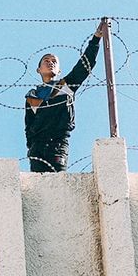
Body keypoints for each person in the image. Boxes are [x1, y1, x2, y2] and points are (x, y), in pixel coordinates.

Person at [24, 18, 110, 172]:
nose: (50, 63)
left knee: (58, 185)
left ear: (59, 71)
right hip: (37, 148)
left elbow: (84, 66)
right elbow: (28, 126)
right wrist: (30, 148)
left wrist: (96, 39)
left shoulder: (64, 87)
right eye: (46, 60)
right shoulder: (32, 96)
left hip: (57, 144)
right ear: (38, 70)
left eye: (54, 61)